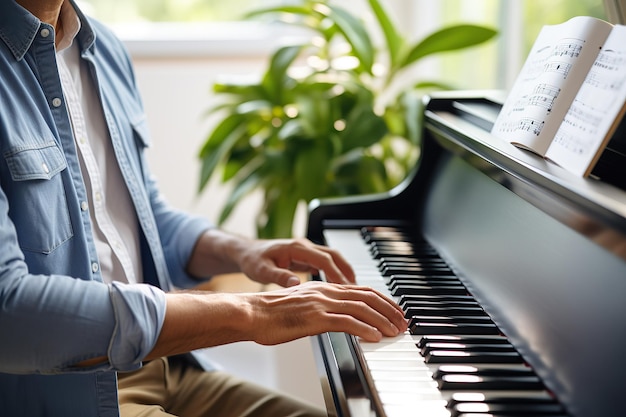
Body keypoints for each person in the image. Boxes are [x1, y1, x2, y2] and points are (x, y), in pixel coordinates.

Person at [0, 0, 408, 416]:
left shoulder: (103, 49)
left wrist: (238, 251)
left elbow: (140, 220)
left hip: (168, 366)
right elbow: (9, 310)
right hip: (65, 395)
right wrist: (252, 311)